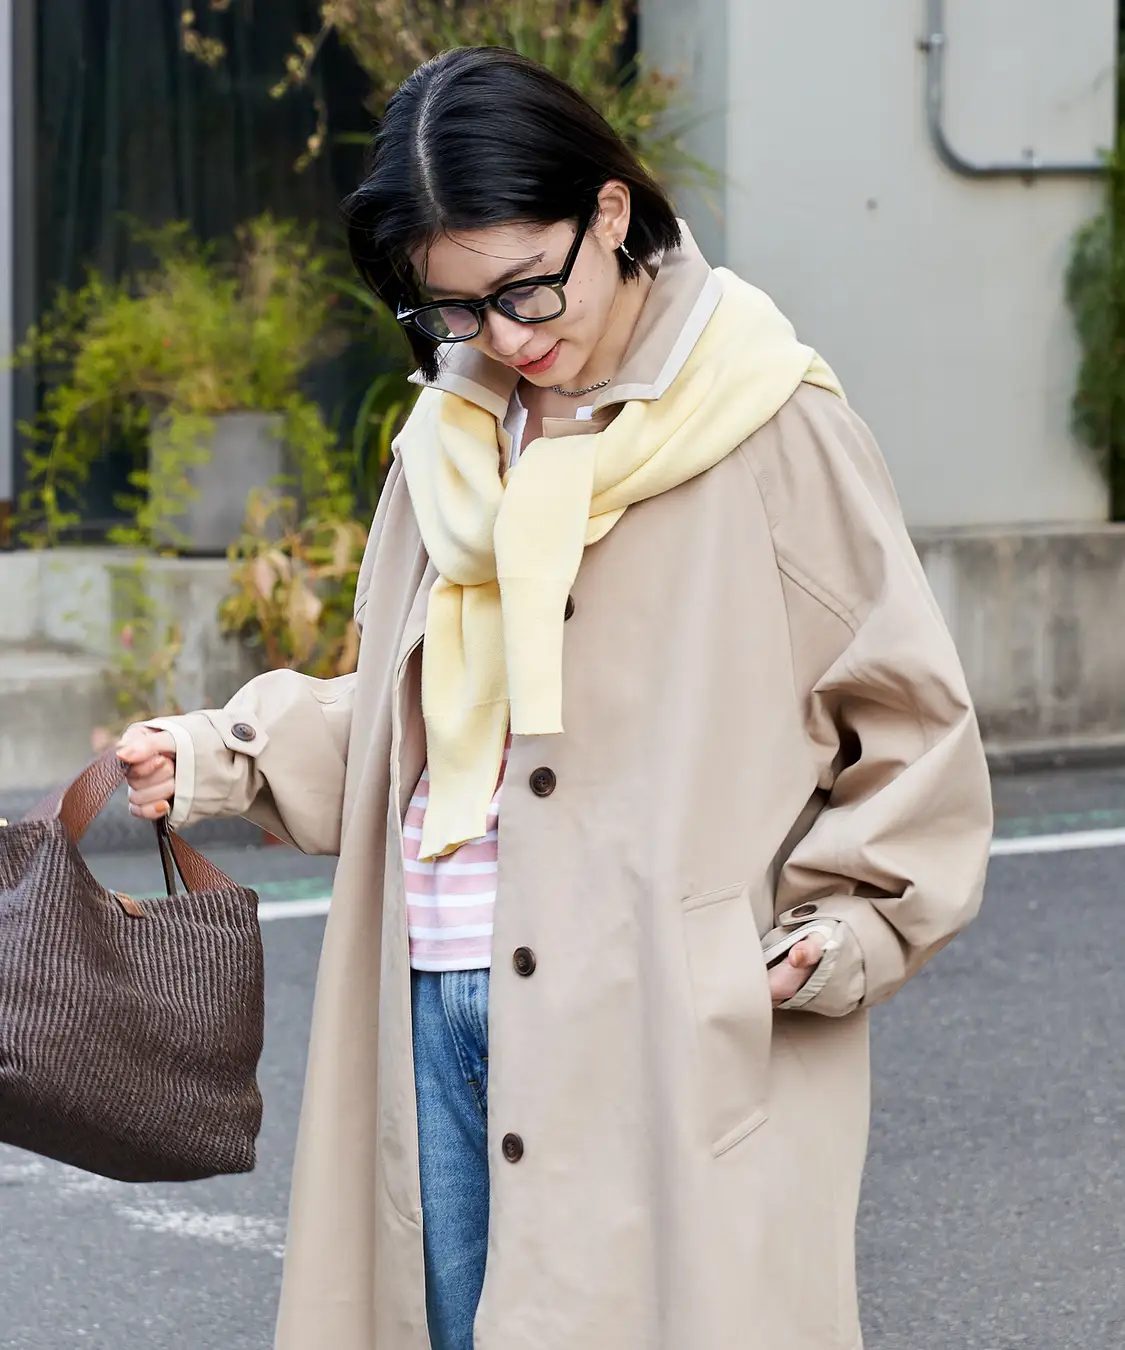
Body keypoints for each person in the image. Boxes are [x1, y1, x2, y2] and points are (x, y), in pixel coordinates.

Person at [116, 45, 993, 1350]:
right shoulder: (453, 441)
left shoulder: (770, 423)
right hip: (437, 998)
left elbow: (915, 729)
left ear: (611, 213)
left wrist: (843, 930)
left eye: (529, 286)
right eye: (459, 309)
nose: (510, 338)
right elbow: (421, 723)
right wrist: (220, 753)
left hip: (657, 1022)